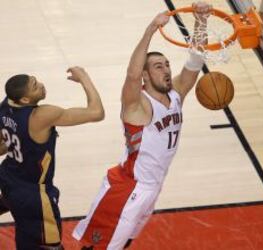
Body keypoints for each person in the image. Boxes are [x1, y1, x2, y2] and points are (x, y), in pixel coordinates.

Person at [72, 2, 211, 249]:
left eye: (167, 64)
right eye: (159, 67)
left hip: (152, 186)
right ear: (146, 76)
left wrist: (201, 21)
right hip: (127, 188)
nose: (166, 70)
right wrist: (150, 30)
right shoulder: (138, 105)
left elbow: (194, 62)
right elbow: (132, 75)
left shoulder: (176, 94)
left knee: (123, 243)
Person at [0, 66, 104, 250]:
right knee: (50, 245)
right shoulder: (42, 115)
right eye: (34, 86)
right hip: (35, 195)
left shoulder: (6, 105)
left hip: (9, 178)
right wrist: (84, 78)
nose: (41, 85)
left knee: (23, 233)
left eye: (36, 80)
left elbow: (4, 142)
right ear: (24, 99)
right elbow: (97, 113)